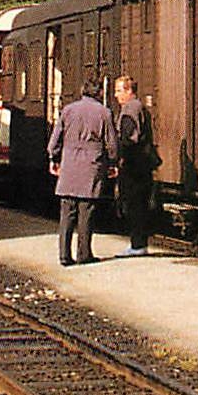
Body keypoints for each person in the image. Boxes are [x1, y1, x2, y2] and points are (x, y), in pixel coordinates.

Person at [48, 78, 117, 266]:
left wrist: (54, 159)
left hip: (69, 166)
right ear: (99, 94)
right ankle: (83, 254)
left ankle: (64, 255)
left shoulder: (68, 110)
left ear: (82, 91)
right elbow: (111, 143)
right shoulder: (104, 113)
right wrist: (112, 163)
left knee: (67, 213)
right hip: (91, 167)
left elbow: (55, 142)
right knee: (86, 212)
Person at [113, 75, 156, 257]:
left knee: (134, 204)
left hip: (134, 165)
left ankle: (137, 245)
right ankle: (138, 243)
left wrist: (120, 157)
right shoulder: (140, 108)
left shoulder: (130, 110)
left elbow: (129, 138)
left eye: (119, 91)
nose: (116, 95)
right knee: (138, 204)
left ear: (129, 91)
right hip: (142, 164)